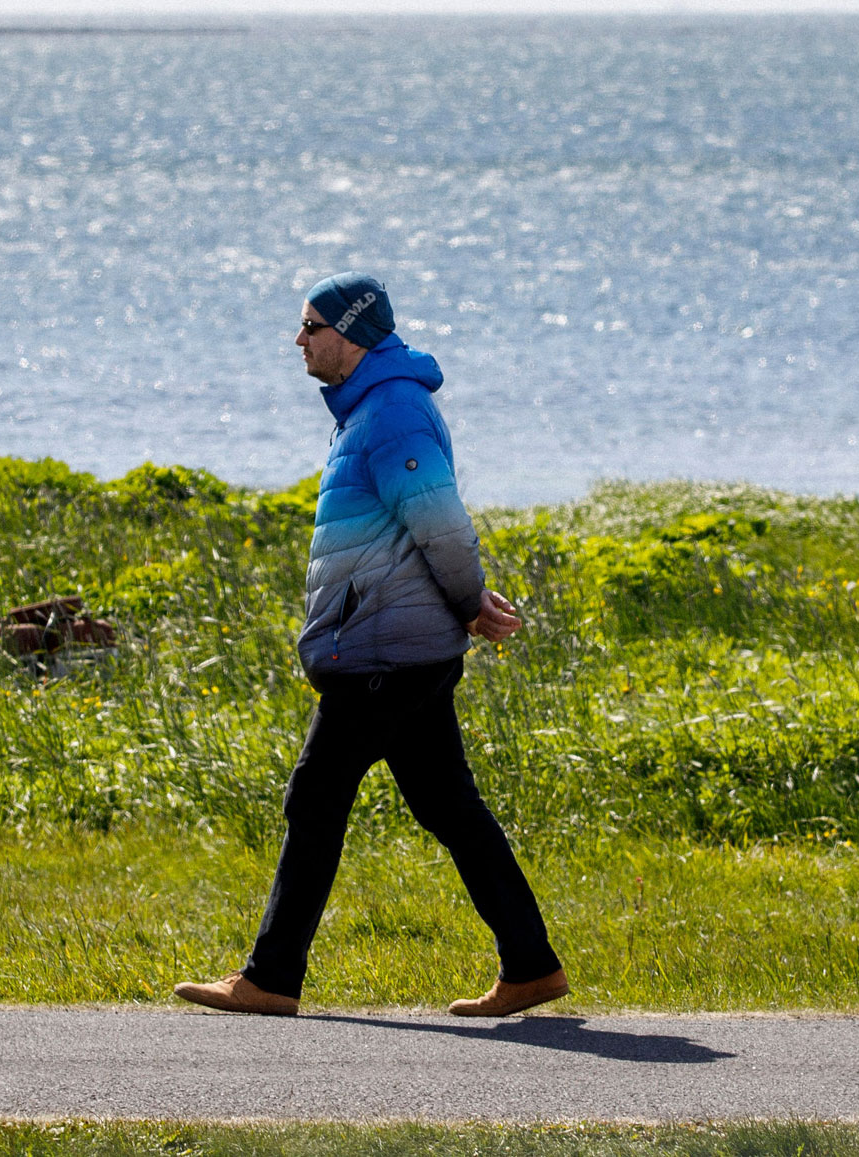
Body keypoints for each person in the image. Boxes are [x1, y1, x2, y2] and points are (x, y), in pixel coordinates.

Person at [174, 272, 568, 1019]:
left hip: (386, 654)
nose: (299, 340)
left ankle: (271, 976)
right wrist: (462, 604)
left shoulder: (391, 414)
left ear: (349, 334)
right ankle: (532, 964)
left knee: (315, 795)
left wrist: (467, 602)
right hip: (393, 646)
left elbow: (439, 520)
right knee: (449, 806)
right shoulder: (370, 409)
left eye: (309, 325)